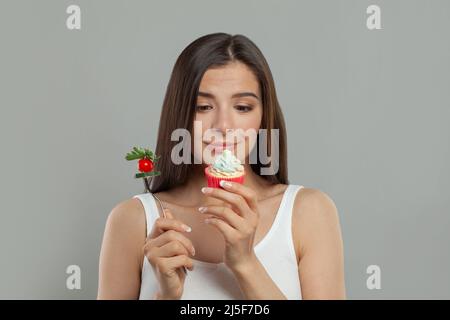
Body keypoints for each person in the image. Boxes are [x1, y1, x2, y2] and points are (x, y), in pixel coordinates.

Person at [97, 33, 345, 300]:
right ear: (180, 114)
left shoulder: (309, 213)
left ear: (263, 116)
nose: (224, 126)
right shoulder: (132, 220)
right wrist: (167, 296)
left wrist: (245, 263)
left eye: (242, 106)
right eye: (203, 106)